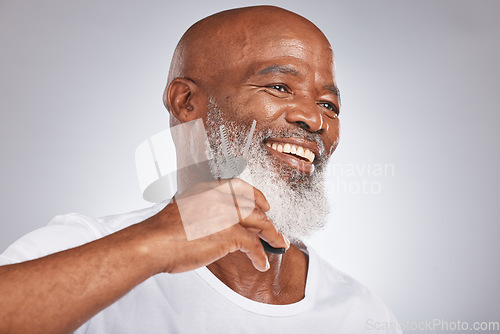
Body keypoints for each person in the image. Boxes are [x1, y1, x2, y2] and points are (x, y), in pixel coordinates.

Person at [0, 5, 401, 333]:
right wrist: (154, 243)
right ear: (185, 102)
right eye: (279, 87)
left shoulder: (361, 314)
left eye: (329, 105)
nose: (314, 119)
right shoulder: (80, 249)